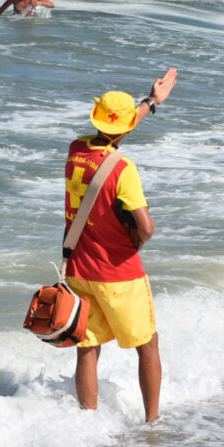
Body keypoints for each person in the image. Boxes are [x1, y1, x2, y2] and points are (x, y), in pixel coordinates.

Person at [64, 68, 178, 423]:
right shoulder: (123, 168)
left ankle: (88, 423)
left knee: (88, 347)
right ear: (126, 127)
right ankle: (152, 424)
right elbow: (146, 227)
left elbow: (116, 134)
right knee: (147, 345)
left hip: (79, 267)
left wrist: (150, 102)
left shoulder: (77, 149)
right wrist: (139, 238)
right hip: (118, 274)